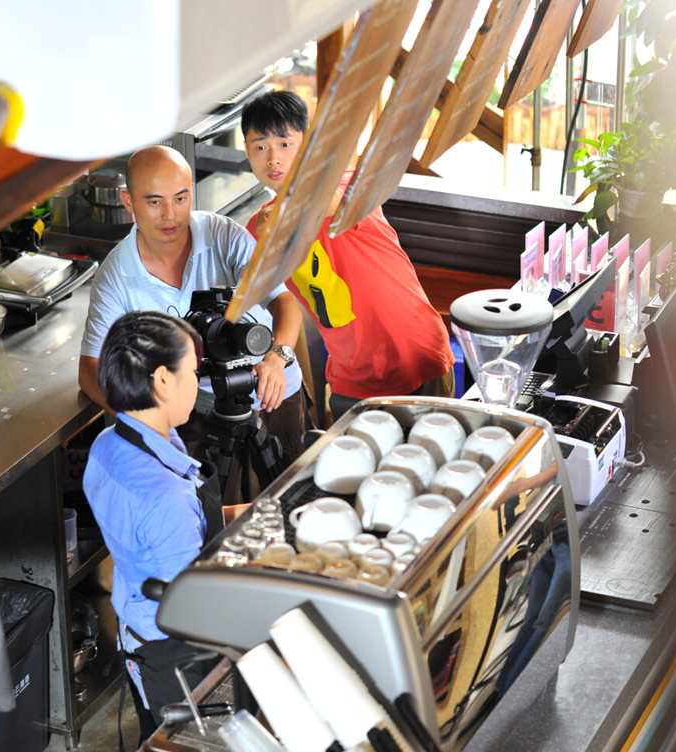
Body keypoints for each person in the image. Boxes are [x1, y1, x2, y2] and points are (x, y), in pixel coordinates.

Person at [78, 145, 308, 488]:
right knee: (216, 516)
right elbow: (89, 370)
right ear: (129, 202)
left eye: (181, 198)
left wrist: (278, 357)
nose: (170, 214)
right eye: (154, 202)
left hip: (275, 391)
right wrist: (152, 418)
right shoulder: (116, 275)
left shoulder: (223, 236)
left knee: (290, 495)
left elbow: (284, 303)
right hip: (196, 412)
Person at [241, 90, 455, 420]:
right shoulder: (258, 229)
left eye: (285, 143)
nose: (273, 158)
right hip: (350, 377)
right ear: (247, 152)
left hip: (416, 359)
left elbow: (323, 204)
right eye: (260, 146)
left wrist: (278, 217)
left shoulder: (349, 184)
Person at [82, 311, 222, 739]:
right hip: (175, 656)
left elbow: (184, 522)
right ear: (162, 380)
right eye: (194, 372)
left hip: (135, 634)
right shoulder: (165, 497)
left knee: (152, 734)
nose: (198, 384)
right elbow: (193, 608)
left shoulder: (108, 445)